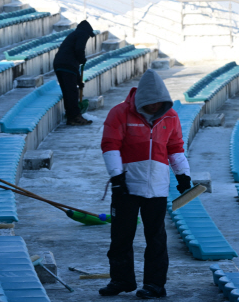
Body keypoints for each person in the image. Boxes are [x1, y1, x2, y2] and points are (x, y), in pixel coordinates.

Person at [99, 69, 191, 299]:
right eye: (150, 103)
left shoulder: (170, 117)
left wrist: (183, 175)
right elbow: (110, 145)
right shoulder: (120, 113)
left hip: (157, 187)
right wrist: (117, 177)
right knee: (121, 236)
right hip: (127, 186)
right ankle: (121, 280)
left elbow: (175, 148)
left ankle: (155, 284)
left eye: (159, 103)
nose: (155, 106)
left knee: (156, 237)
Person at [53, 20, 95, 126]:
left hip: (60, 64)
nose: (88, 37)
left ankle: (71, 117)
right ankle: (75, 117)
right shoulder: (83, 33)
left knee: (68, 92)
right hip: (67, 65)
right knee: (72, 92)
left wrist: (78, 81)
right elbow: (79, 49)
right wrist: (82, 58)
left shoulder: (74, 34)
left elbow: (73, 65)